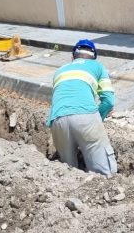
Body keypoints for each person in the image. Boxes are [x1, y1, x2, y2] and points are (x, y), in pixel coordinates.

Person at [47, 39, 117, 176]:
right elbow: (108, 101)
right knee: (104, 175)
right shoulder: (98, 67)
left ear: (72, 57)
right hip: (86, 117)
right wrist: (99, 118)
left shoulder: (59, 71)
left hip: (57, 120)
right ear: (94, 57)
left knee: (69, 172)